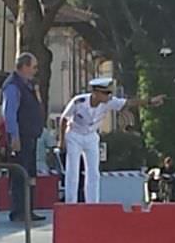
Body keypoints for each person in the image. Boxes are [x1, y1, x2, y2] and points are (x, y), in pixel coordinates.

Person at [58, 76, 164, 204]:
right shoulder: (79, 102)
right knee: (73, 171)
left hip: (91, 136)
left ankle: (92, 203)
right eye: (105, 93)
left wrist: (150, 101)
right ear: (95, 93)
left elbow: (129, 103)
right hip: (75, 134)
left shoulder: (109, 102)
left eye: (109, 93)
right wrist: (62, 140)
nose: (108, 96)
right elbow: (64, 119)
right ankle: (71, 203)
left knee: (93, 172)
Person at [1, 53, 47, 222]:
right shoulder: (13, 86)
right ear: (25, 66)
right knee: (20, 174)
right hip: (20, 138)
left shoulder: (27, 86)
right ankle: (19, 210)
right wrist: (14, 136)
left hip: (30, 136)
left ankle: (28, 209)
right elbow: (9, 113)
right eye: (34, 67)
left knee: (29, 174)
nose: (35, 71)